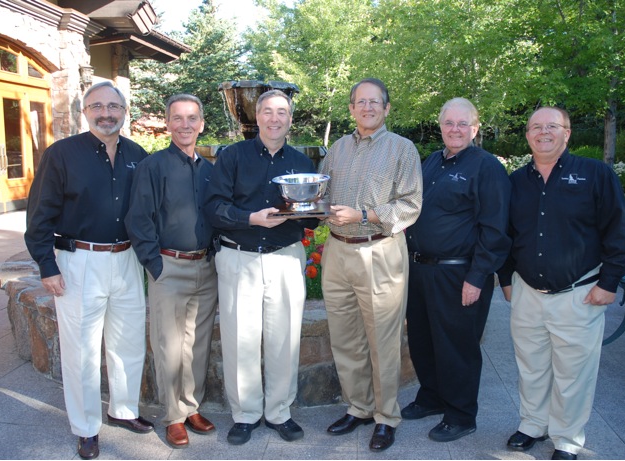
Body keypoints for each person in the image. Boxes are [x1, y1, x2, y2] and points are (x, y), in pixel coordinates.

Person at [24, 81, 153, 460]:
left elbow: (147, 210)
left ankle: (124, 409)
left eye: (113, 106)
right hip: (79, 261)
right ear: (85, 111)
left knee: (128, 341)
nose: (106, 113)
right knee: (80, 348)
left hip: (127, 259)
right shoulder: (62, 154)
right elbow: (39, 216)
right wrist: (47, 266)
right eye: (97, 106)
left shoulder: (137, 154)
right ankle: (85, 427)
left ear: (124, 111)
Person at [498, 107, 625, 460]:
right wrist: (506, 279)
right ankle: (532, 425)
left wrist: (610, 282)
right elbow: (506, 236)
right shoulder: (515, 182)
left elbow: (618, 231)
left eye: (552, 126)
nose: (544, 132)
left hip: (579, 294)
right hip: (526, 291)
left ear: (567, 133)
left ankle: (568, 439)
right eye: (536, 127)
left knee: (574, 374)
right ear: (527, 135)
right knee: (531, 365)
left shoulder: (595, 174)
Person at [206, 89, 316, 446]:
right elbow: (214, 207)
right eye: (267, 111)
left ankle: (280, 412)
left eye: (281, 112)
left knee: (284, 339)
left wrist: (313, 211)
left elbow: (310, 217)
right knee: (241, 339)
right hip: (240, 256)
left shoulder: (301, 162)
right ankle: (246, 414)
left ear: (289, 118)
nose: (274, 118)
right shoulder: (232, 156)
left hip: (285, 257)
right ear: (257, 116)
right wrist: (251, 218)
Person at [319, 78, 422, 452]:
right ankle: (359, 407)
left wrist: (364, 213)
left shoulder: (402, 149)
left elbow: (411, 205)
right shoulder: (337, 149)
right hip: (336, 252)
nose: (367, 108)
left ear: (387, 108)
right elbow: (322, 194)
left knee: (383, 339)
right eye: (360, 102)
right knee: (345, 338)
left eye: (374, 102)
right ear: (351, 108)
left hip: (380, 251)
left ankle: (386, 416)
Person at [402, 97, 511, 442]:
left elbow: (495, 229)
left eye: (463, 124)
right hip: (421, 270)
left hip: (458, 273)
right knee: (423, 340)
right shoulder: (431, 162)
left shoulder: (486, 166)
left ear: (475, 128)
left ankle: (461, 414)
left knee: (456, 347)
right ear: (440, 126)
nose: (455, 129)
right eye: (449, 123)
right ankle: (432, 397)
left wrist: (477, 277)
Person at [125, 94, 218, 449]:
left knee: (198, 344)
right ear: (168, 124)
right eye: (177, 118)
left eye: (191, 118)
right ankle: (174, 416)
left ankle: (192, 407)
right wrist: (155, 264)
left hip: (205, 268)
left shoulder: (210, 170)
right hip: (169, 267)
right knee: (170, 346)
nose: (185, 125)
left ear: (201, 124)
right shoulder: (154, 166)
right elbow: (139, 219)